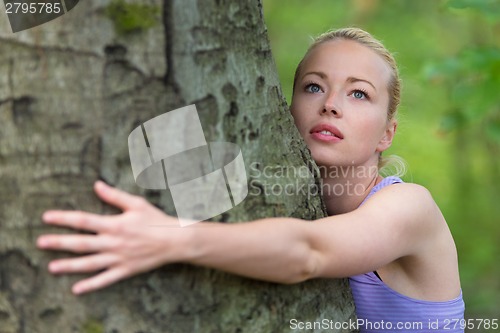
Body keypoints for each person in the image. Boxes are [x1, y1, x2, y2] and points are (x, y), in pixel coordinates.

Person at [37, 28, 465, 332]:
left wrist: (170, 239)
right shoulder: (281, 194)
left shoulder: (411, 207)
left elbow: (309, 253)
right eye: (314, 87)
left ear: (387, 134)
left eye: (358, 93)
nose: (331, 104)